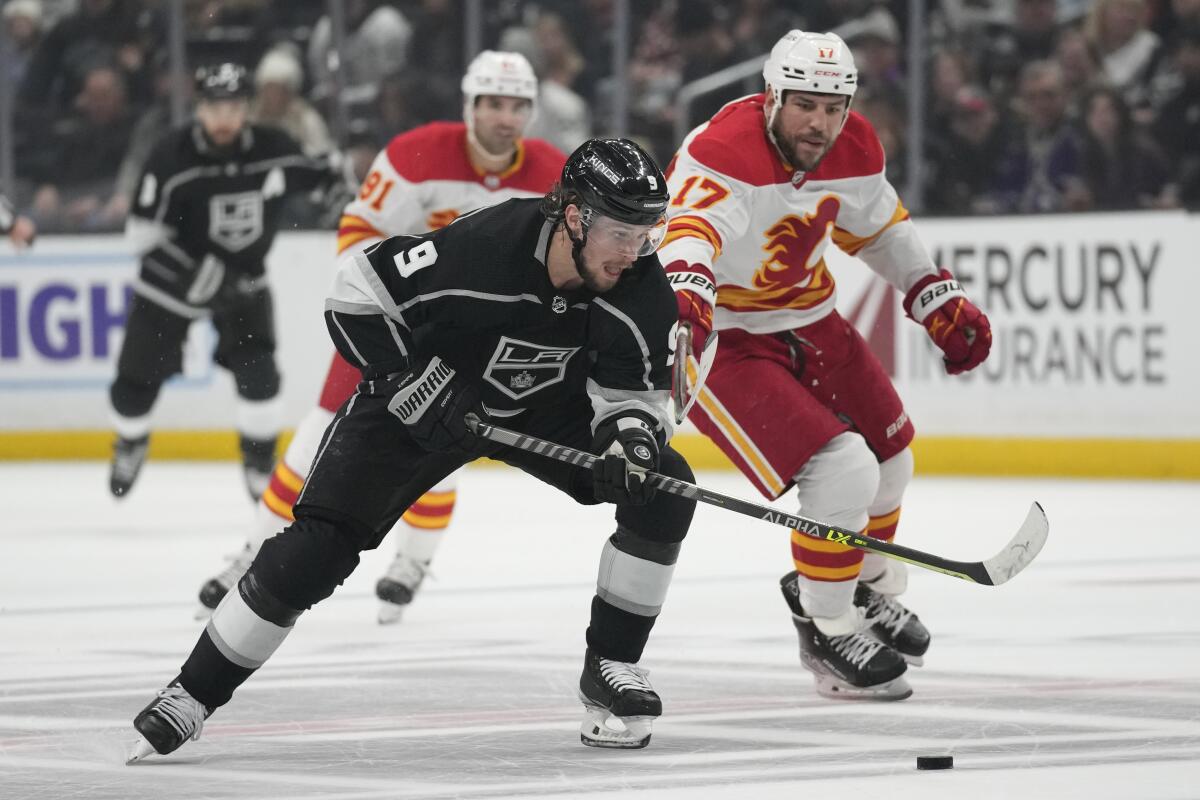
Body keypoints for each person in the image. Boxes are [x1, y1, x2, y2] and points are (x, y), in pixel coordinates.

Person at [127, 137, 696, 761]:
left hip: (539, 412)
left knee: (664, 486)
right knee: (314, 552)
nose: (635, 250)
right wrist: (407, 382)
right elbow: (354, 294)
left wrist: (631, 443)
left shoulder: (642, 286)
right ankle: (192, 693)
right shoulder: (486, 247)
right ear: (574, 215)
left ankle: (611, 666)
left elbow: (634, 397)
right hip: (418, 403)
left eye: (647, 231)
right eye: (621, 230)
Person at [662, 30, 992, 700]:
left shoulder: (857, 144)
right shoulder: (722, 150)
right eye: (805, 104)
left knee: (893, 456)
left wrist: (929, 291)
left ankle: (864, 585)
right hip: (725, 332)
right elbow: (689, 231)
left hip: (808, 315)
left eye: (833, 106)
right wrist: (689, 289)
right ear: (773, 96)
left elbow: (878, 228)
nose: (819, 121)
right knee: (844, 468)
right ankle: (826, 623)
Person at [196, 51, 567, 624]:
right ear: (469, 105)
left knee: (445, 446)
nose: (505, 116)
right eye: (493, 102)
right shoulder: (415, 153)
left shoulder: (553, 173)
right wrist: (375, 304)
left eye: (517, 105)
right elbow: (359, 228)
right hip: (391, 323)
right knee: (312, 441)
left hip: (474, 343)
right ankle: (251, 556)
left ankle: (413, 561)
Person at [108, 63, 345, 501]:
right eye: (214, 108)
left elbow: (323, 171)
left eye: (233, 107)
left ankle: (258, 461)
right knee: (133, 387)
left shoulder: (272, 147)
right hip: (169, 291)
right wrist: (198, 273)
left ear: (247, 109)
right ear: (199, 109)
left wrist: (339, 190)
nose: (224, 119)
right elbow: (139, 237)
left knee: (261, 375)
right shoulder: (170, 156)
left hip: (244, 284)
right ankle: (130, 440)